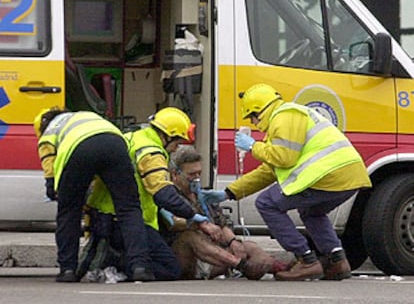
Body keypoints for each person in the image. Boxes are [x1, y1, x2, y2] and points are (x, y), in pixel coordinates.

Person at [199, 83, 372, 281]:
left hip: (328, 176)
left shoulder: (284, 116)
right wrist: (229, 192)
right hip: (348, 176)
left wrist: (254, 146)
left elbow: (284, 158)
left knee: (267, 203)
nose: (254, 123)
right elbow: (270, 170)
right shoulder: (289, 119)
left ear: (258, 111)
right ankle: (337, 261)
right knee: (312, 212)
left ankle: (306, 260)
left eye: (252, 118)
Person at [80, 107, 216, 281]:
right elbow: (162, 193)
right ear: (167, 135)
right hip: (127, 221)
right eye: (177, 142)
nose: (176, 148)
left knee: (156, 261)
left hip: (105, 216)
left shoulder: (133, 137)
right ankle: (111, 262)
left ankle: (109, 259)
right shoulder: (151, 151)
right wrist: (192, 214)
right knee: (170, 268)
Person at [33, 108, 153, 282]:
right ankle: (140, 267)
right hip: (115, 144)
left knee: (69, 213)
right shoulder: (87, 117)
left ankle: (68, 270)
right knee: (129, 209)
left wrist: (52, 187)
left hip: (80, 150)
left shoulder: (50, 132)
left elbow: (49, 163)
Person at [158, 145, 288, 280]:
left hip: (213, 255)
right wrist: (200, 224)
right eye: (191, 174)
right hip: (187, 257)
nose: (197, 178)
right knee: (190, 237)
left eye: (199, 173)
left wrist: (233, 242)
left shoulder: (202, 195)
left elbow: (221, 222)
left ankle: (279, 268)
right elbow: (173, 222)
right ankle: (240, 265)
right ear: (175, 174)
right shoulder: (168, 195)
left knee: (250, 247)